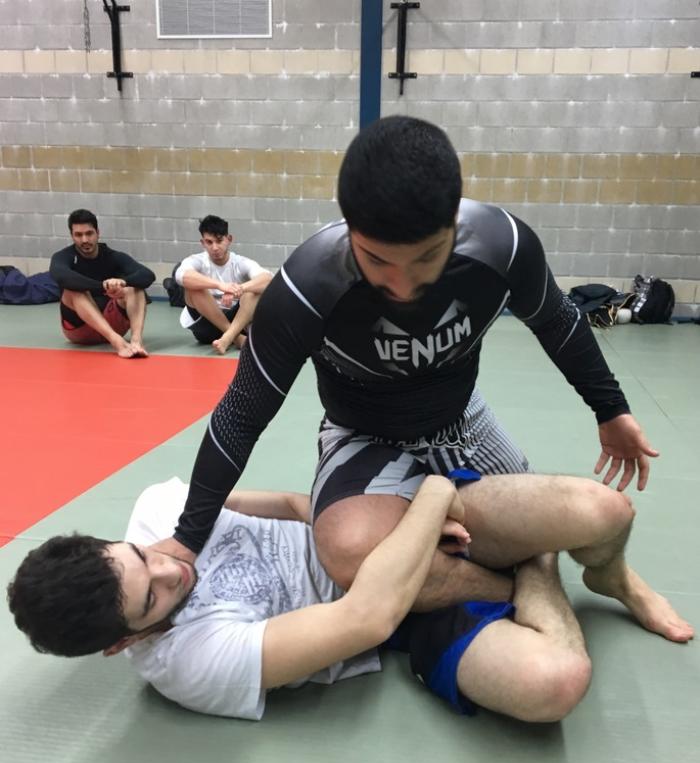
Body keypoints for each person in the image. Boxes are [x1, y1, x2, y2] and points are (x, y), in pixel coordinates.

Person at [161, 116, 659, 617]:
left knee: (593, 516)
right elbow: (241, 415)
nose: (401, 286)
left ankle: (611, 575)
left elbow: (557, 320)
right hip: (361, 436)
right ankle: (511, 586)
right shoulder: (305, 291)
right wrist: (187, 540)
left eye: (426, 258)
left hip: (461, 419)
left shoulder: (503, 247)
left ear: (455, 224)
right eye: (377, 260)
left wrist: (611, 409)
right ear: (350, 230)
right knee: (350, 552)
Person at [7, 472, 692, 722]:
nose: (170, 571)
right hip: (397, 616)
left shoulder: (160, 509)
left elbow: (288, 503)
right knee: (556, 682)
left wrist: (392, 518)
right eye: (152, 600)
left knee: (605, 511)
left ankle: (608, 577)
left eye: (141, 558)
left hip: (385, 528)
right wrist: (435, 495)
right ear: (124, 642)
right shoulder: (188, 665)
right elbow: (369, 616)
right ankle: (538, 563)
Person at [49, 209, 154, 358]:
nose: (84, 240)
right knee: (73, 290)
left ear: (98, 232)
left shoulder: (113, 256)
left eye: (89, 233)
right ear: (72, 236)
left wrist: (123, 282)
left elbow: (148, 275)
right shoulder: (64, 256)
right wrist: (103, 286)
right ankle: (117, 342)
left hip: (113, 323)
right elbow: (60, 276)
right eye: (78, 235)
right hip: (80, 330)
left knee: (135, 288)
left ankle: (136, 342)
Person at [174, 215, 272, 354]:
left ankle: (227, 337)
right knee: (193, 288)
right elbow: (181, 276)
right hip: (207, 327)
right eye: (209, 242)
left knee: (254, 292)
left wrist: (239, 289)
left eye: (219, 241)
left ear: (229, 239)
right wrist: (220, 286)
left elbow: (268, 280)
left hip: (237, 322)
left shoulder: (240, 263)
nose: (215, 247)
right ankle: (235, 338)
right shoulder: (197, 260)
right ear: (202, 243)